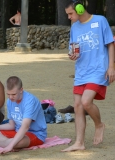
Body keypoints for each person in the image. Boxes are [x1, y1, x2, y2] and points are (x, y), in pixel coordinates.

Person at [62, 0, 115, 152]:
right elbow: (73, 48)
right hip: (81, 71)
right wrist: (72, 55)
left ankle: (99, 124)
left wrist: (111, 66)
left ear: (79, 9)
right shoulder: (74, 27)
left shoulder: (100, 21)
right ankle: (79, 142)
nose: (69, 17)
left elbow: (110, 44)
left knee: (86, 102)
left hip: (98, 70)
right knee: (77, 106)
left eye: (70, 14)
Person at [0, 76, 47, 154]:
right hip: (17, 131)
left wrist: (10, 146)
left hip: (35, 134)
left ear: (21, 90)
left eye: (13, 94)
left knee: (18, 143)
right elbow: (11, 125)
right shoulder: (9, 101)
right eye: (8, 94)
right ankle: (8, 142)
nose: (10, 97)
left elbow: (25, 127)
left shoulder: (30, 101)